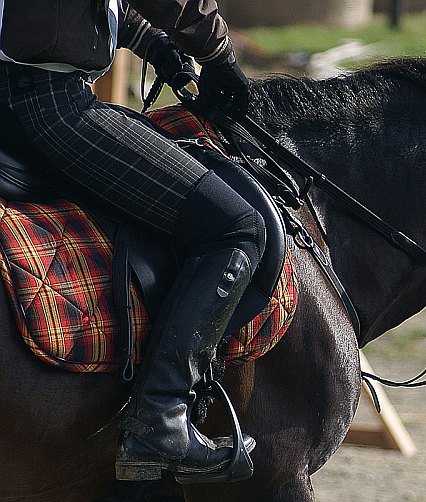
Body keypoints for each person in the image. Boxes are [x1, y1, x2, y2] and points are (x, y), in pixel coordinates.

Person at [0, 0, 266, 484]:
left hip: (18, 96)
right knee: (236, 225)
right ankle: (160, 419)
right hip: (50, 103)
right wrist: (219, 54)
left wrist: (152, 44)